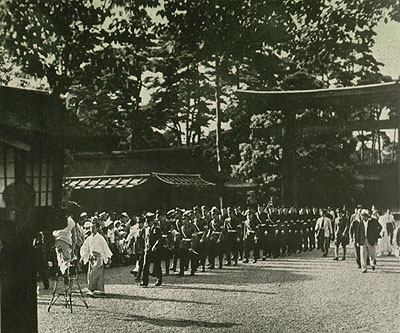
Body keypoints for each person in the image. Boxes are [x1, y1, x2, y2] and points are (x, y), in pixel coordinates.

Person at [80, 222, 113, 296]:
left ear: (97, 228)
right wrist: (83, 256)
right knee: (91, 273)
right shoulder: (89, 238)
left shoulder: (100, 238)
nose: (92, 229)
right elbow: (85, 247)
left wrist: (109, 257)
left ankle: (99, 289)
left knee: (98, 273)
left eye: (93, 227)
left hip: (99, 257)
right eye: (91, 228)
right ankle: (91, 288)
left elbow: (105, 248)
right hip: (92, 258)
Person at [140, 212, 163, 287]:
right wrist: (144, 247)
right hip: (148, 249)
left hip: (155, 250)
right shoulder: (146, 229)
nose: (148, 223)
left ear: (152, 221)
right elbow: (144, 238)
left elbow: (159, 239)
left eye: (149, 221)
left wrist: (155, 246)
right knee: (145, 265)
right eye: (147, 221)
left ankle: (159, 279)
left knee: (157, 265)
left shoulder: (157, 229)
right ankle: (144, 281)